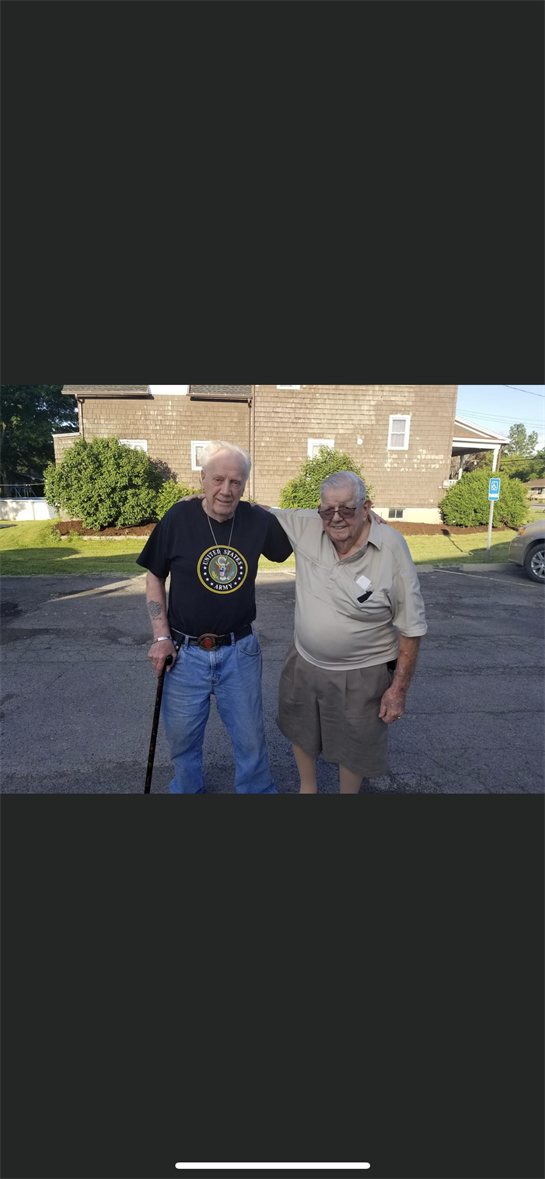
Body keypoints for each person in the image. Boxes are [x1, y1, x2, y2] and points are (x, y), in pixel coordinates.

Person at [136, 442, 293, 794]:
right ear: (202, 478)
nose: (226, 490)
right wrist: (161, 637)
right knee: (182, 736)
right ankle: (187, 788)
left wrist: (361, 514)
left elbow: (302, 530)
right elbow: (154, 576)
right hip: (183, 651)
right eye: (218, 479)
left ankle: (256, 791)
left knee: (251, 738)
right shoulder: (178, 518)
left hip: (240, 650)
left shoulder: (256, 520)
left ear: (245, 485)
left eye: (236, 482)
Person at [266, 472, 428, 794]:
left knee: (355, 743)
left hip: (363, 671)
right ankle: (307, 789)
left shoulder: (391, 546)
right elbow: (252, 510)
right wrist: (201, 500)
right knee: (301, 729)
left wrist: (399, 690)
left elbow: (411, 626)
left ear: (367, 507)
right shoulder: (308, 524)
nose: (336, 518)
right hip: (305, 661)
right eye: (328, 510)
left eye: (347, 509)